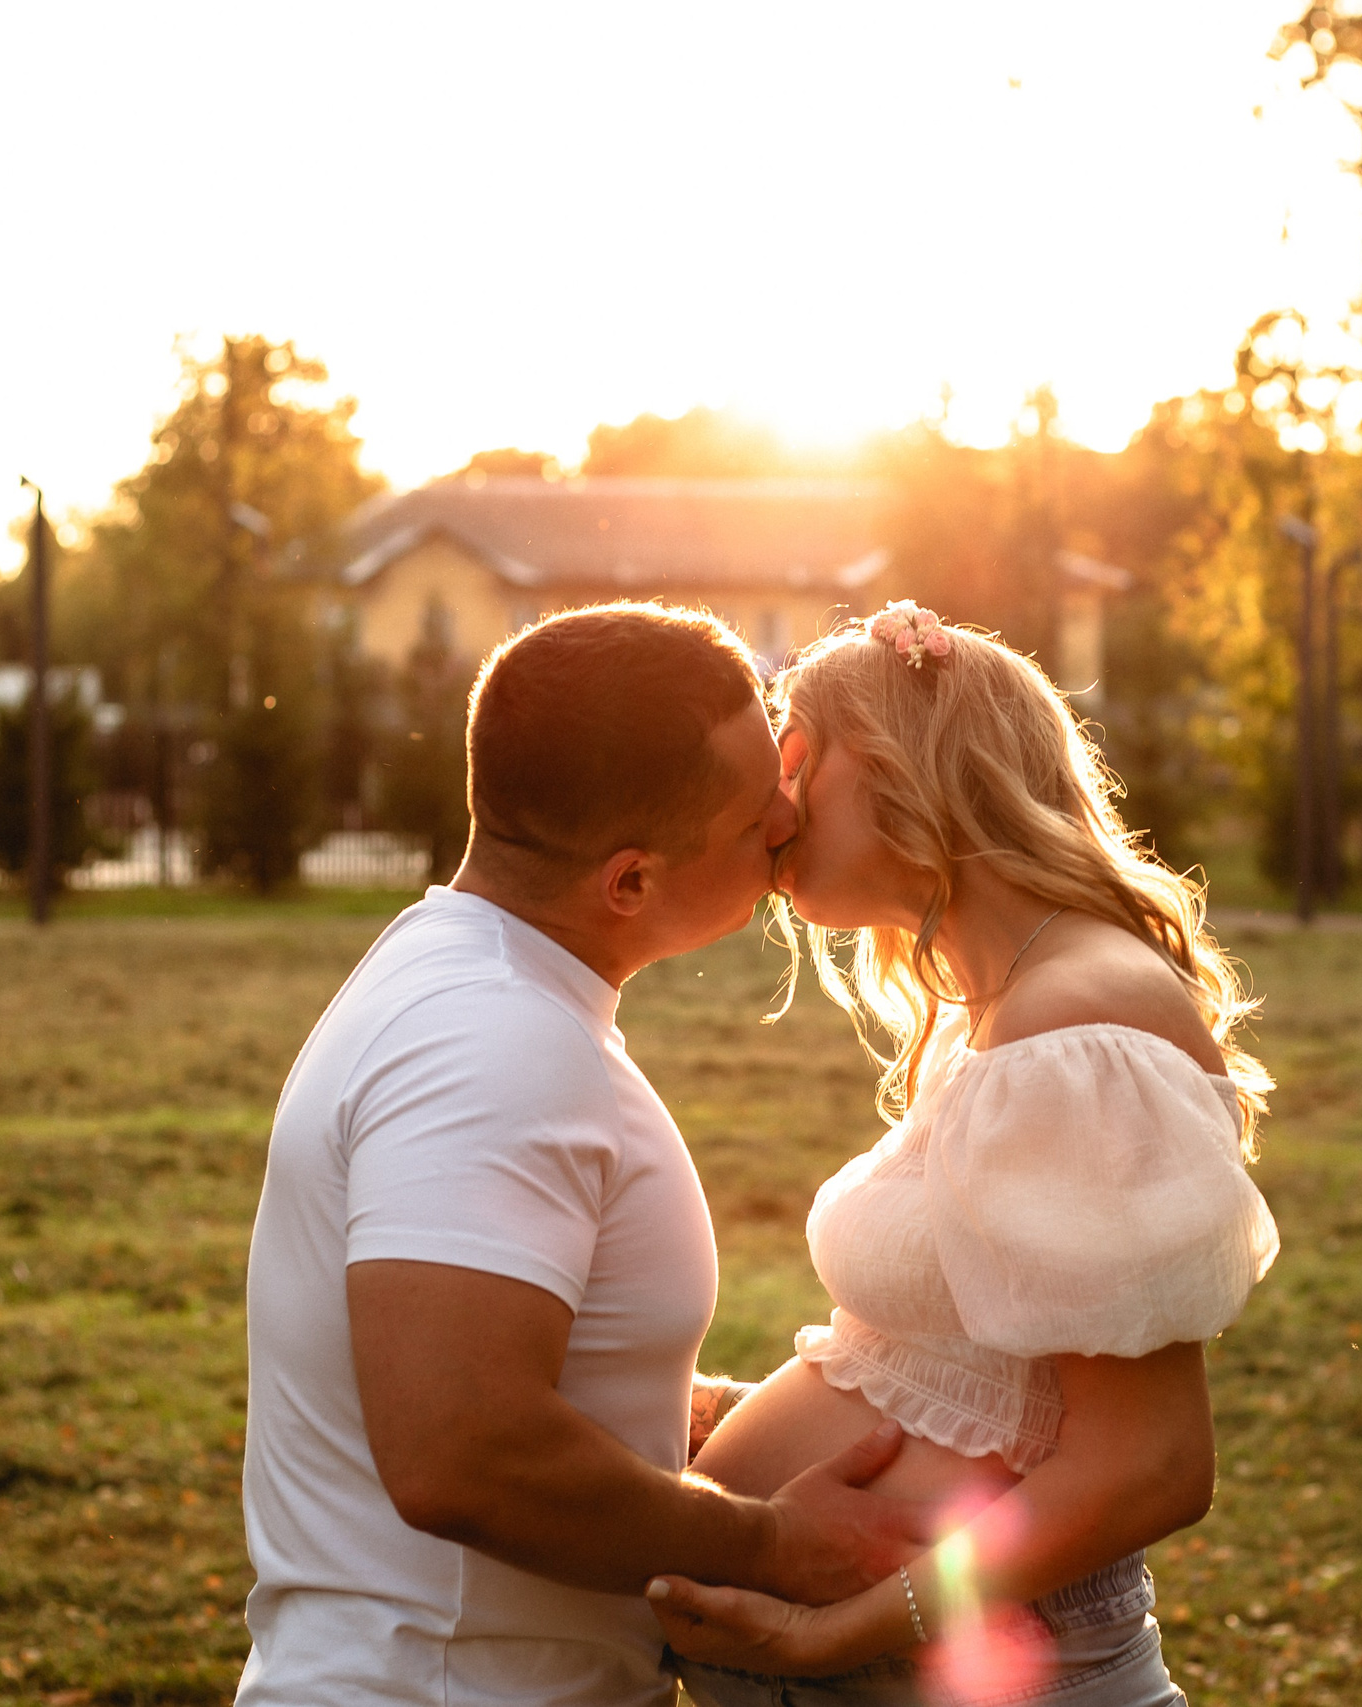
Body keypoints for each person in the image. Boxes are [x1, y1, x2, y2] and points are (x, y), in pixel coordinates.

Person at [236, 603, 926, 1707]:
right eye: (759, 814)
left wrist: (693, 1413)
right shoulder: (494, 1040)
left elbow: (482, 1357)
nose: (790, 818)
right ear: (630, 883)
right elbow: (461, 1448)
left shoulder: (476, 984)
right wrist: (771, 1543)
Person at [650, 602, 1280, 1707]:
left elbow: (1151, 1463)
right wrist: (745, 1428)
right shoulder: (1010, 1009)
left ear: (906, 764)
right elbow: (991, 1386)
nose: (776, 803)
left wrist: (831, 1634)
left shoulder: (1077, 1024)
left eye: (799, 755)